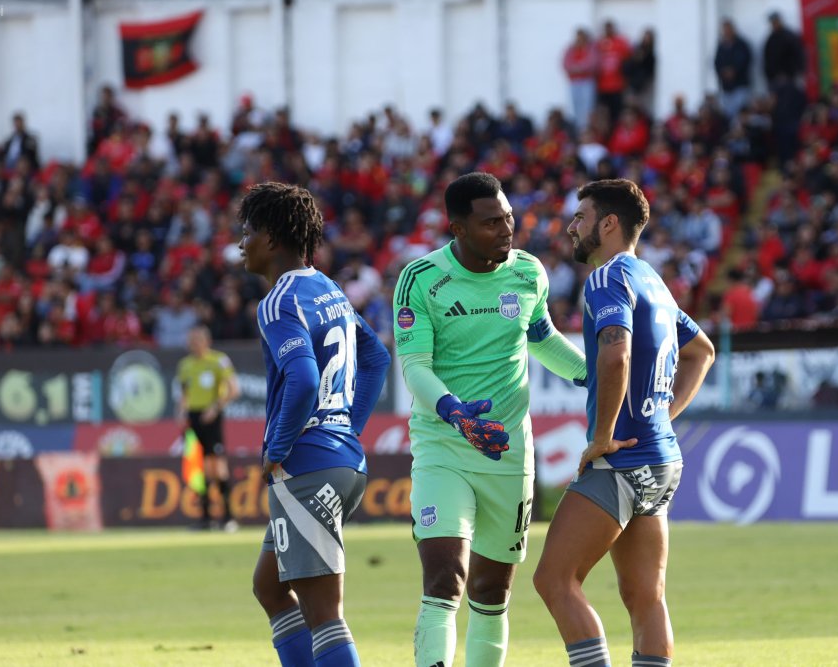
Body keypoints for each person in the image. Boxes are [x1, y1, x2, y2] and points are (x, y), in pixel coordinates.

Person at [393, 172, 587, 667]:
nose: (506, 230)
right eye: (490, 223)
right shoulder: (421, 279)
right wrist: (455, 413)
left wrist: (592, 376)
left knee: (492, 589)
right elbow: (415, 367)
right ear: (457, 228)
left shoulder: (528, 273)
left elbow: (541, 339)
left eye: (508, 218)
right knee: (444, 579)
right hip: (443, 447)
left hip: (507, 453)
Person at [534, 179, 715, 667]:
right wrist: (662, 415)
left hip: (621, 459)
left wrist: (601, 438)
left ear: (608, 224)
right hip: (661, 458)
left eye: (581, 217)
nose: (571, 227)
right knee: (646, 597)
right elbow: (702, 351)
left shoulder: (606, 278)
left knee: (554, 580)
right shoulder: (652, 279)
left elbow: (616, 356)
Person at [241, 182, 391, 667]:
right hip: (341, 460)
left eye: (247, 232)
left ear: (272, 238)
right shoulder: (328, 288)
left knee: (324, 613)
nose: (242, 243)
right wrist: (345, 428)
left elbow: (304, 379)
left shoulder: (277, 302)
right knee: (269, 586)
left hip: (306, 465)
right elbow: (375, 359)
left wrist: (277, 447)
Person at [175, 325, 241, 531]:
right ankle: (205, 518)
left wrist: (215, 408)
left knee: (217, 466)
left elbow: (234, 390)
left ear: (206, 341)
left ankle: (229, 518)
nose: (192, 345)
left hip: (211, 416)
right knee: (198, 467)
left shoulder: (218, 361)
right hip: (193, 418)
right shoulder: (185, 365)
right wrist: (180, 412)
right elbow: (185, 393)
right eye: (190, 341)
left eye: (196, 340)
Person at [714, 19, 754, 118]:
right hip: (726, 87)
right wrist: (723, 73)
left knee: (740, 112)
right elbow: (717, 63)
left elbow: (745, 60)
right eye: (724, 30)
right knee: (728, 114)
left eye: (728, 29)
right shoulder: (721, 46)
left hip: (740, 85)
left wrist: (734, 71)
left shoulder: (742, 45)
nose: (726, 32)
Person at [562, 28, 599, 133]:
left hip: (587, 81)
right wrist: (577, 69)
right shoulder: (571, 49)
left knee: (587, 106)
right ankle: (578, 129)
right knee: (576, 105)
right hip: (574, 82)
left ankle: (587, 129)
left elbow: (593, 64)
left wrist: (578, 68)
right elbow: (566, 64)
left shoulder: (591, 49)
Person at [763, 11, 805, 91]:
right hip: (774, 78)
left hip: (788, 77)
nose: (774, 24)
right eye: (772, 23)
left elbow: (798, 55)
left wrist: (791, 73)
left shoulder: (790, 36)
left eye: (775, 22)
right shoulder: (771, 39)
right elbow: (767, 58)